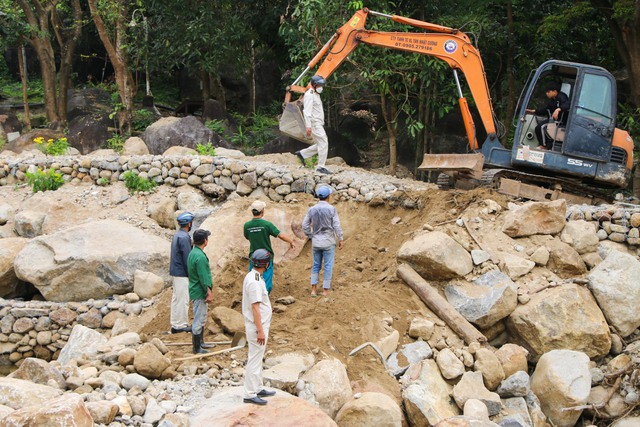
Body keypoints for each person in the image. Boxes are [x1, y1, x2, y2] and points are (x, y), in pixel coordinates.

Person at [242, 249, 277, 405]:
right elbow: (255, 308)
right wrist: (260, 331)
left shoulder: (254, 276)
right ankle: (250, 393)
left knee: (258, 356)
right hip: (257, 326)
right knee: (255, 358)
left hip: (259, 324)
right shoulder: (255, 282)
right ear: (266, 264)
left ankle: (258, 387)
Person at [243, 200, 294, 294]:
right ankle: (264, 297)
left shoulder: (247, 226)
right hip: (266, 257)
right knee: (266, 278)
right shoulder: (266, 225)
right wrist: (290, 241)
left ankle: (254, 296)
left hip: (253, 256)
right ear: (262, 211)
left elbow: (247, 237)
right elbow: (281, 235)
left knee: (254, 277)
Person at [302, 185, 344, 297]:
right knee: (328, 265)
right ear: (328, 196)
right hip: (328, 241)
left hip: (316, 241)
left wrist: (311, 235)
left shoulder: (312, 209)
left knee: (316, 265)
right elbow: (337, 225)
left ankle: (313, 290)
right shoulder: (331, 209)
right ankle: (325, 290)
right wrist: (341, 238)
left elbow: (304, 225)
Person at [295, 75, 333, 175]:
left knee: (320, 144)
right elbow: (307, 111)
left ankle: (302, 154)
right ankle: (321, 167)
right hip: (314, 123)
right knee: (324, 142)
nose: (321, 87)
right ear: (315, 85)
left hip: (318, 123)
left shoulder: (315, 94)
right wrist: (308, 126)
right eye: (320, 85)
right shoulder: (309, 95)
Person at [188, 229, 213, 354]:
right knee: (199, 318)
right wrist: (208, 291)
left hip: (194, 289)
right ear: (205, 241)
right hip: (199, 291)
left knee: (201, 316)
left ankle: (201, 343)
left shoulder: (193, 252)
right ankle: (197, 347)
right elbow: (204, 277)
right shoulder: (200, 257)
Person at [169, 212, 194, 334]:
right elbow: (187, 258)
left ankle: (175, 323)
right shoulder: (184, 237)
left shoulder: (177, 235)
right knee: (183, 299)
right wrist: (191, 274)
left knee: (176, 299)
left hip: (175, 271)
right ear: (189, 224)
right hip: (182, 273)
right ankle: (181, 325)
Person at [526, 82, 570, 150]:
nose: (547, 93)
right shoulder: (552, 100)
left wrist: (559, 109)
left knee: (542, 127)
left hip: (562, 121)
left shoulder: (562, 96)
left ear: (555, 91)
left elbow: (567, 105)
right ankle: (546, 144)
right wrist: (535, 111)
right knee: (538, 127)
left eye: (548, 91)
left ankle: (544, 145)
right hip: (554, 120)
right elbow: (546, 109)